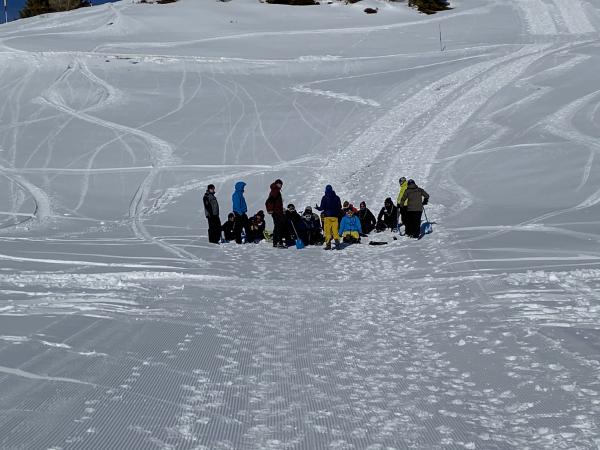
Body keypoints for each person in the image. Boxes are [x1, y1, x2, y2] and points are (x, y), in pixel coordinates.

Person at [315, 184, 342, 250]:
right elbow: (340, 207)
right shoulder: (337, 197)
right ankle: (337, 244)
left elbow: (322, 208)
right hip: (335, 217)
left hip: (327, 217)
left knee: (327, 231)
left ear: (326, 190)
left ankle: (328, 245)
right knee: (335, 231)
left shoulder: (324, 197)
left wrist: (317, 208)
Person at [265, 179, 286, 248]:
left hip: (277, 212)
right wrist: (271, 210)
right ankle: (279, 242)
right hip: (276, 212)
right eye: (279, 184)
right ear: (276, 184)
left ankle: (275, 242)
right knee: (278, 227)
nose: (280, 185)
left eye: (281, 184)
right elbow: (269, 201)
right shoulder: (275, 190)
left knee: (277, 227)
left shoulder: (275, 190)